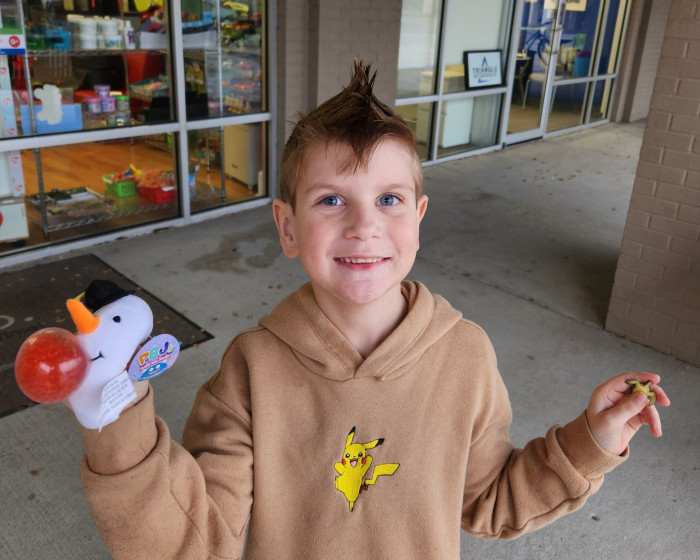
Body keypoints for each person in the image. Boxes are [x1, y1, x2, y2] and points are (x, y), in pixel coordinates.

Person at [77, 61, 669, 559]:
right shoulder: (250, 369)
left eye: (389, 199)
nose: (364, 226)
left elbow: (490, 500)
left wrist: (590, 440)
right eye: (331, 200)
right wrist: (113, 412)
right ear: (288, 227)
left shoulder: (465, 354)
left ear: (418, 218)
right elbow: (197, 542)